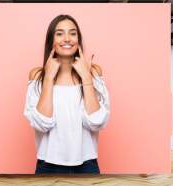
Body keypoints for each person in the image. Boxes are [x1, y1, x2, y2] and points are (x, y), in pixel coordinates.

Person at [23, 14, 110, 174]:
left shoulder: (94, 72)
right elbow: (42, 123)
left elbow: (96, 121)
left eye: (72, 33)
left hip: (87, 165)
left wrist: (86, 77)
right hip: (47, 165)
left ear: (78, 39)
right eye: (60, 33)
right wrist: (48, 77)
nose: (67, 38)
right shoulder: (37, 76)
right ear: (52, 40)